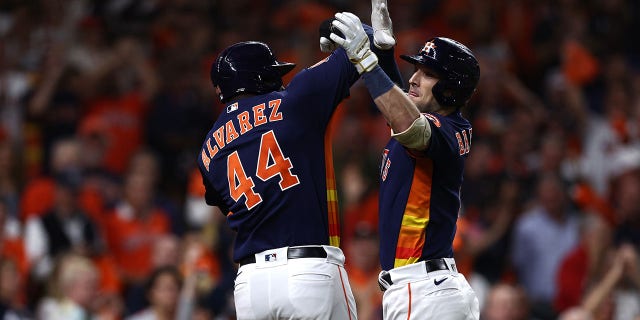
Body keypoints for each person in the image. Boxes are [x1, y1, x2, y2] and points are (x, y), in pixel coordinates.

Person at [195, 21, 389, 318]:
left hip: (250, 284)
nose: (280, 81)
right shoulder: (295, 101)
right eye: (274, 74)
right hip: (307, 271)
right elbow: (367, 37)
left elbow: (226, 203)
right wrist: (335, 28)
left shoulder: (207, 150)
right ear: (261, 78)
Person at [326, 1, 480, 318]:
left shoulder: (443, 130)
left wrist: (366, 61)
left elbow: (409, 125)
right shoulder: (443, 124)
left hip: (422, 289)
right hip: (433, 287)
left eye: (427, 74)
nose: (413, 79)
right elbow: (401, 106)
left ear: (451, 89)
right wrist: (382, 48)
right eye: (415, 70)